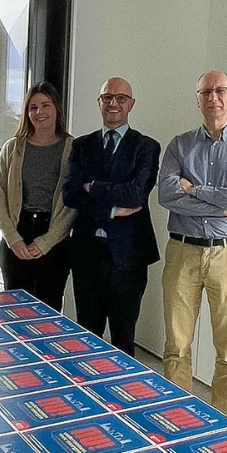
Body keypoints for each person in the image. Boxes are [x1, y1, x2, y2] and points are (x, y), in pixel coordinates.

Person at [158, 70, 227, 416]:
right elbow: (166, 195)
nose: (213, 98)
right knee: (176, 345)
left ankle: (223, 425)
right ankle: (178, 420)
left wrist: (198, 190)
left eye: (220, 91)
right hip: (183, 252)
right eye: (206, 92)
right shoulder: (179, 145)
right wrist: (223, 204)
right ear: (198, 99)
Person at [62, 77, 160, 357]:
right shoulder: (81, 146)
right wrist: (112, 210)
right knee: (86, 336)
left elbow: (136, 194)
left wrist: (93, 187)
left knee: (123, 338)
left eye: (120, 98)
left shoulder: (147, 147)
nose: (113, 103)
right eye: (107, 97)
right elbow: (70, 194)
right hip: (87, 253)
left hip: (128, 257)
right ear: (99, 102)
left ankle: (122, 398)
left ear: (131, 104)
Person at [0, 82, 76, 311]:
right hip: (17, 234)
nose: (39, 113)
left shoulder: (73, 149)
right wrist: (13, 239)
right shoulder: (12, 148)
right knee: (15, 310)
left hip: (54, 238)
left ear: (57, 108)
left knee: (48, 312)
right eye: (33, 107)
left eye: (46, 105)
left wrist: (47, 241)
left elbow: (73, 203)